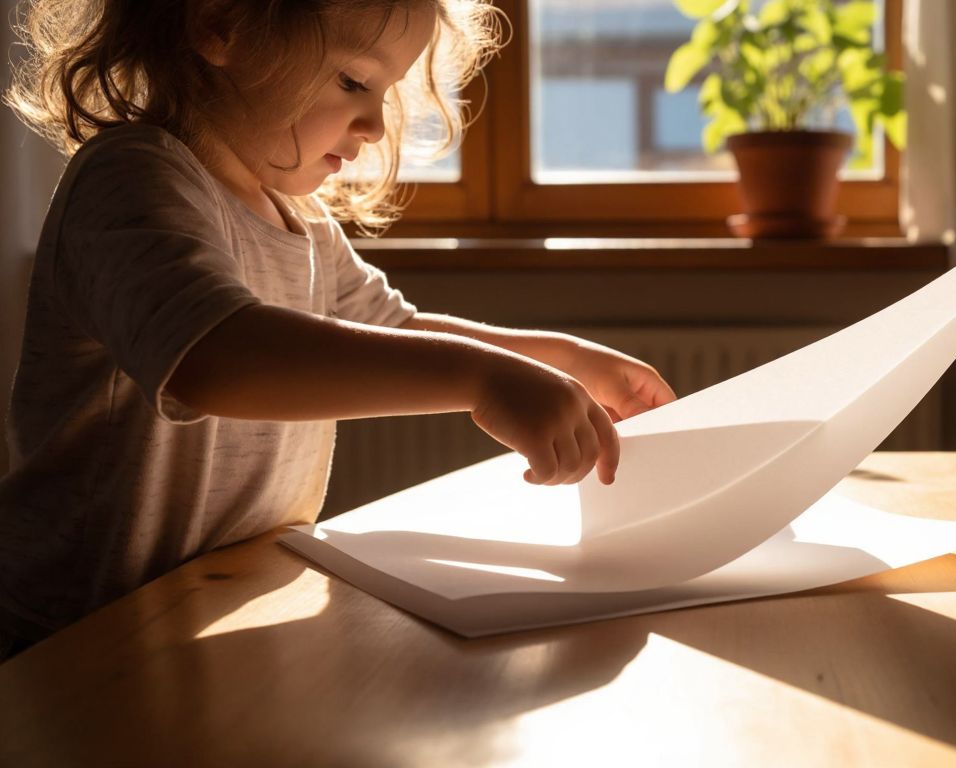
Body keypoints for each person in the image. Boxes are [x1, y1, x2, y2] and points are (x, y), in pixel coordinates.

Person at [0, 0, 676, 661]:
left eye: (385, 91)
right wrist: (484, 379)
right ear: (220, 23)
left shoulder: (304, 225)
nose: (376, 126)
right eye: (354, 80)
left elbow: (397, 330)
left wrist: (566, 361)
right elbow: (218, 356)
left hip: (200, 617)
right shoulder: (131, 179)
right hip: (71, 643)